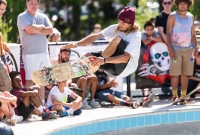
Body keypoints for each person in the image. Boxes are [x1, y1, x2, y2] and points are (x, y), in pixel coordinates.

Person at [61, 6, 141, 77]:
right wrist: (76, 44)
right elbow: (95, 37)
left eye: (123, 22)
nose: (120, 24)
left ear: (130, 23)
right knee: (88, 57)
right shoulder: (114, 28)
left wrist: (104, 60)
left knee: (117, 39)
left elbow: (125, 58)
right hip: (111, 68)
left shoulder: (135, 35)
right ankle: (68, 74)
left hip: (125, 67)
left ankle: (100, 59)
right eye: (119, 21)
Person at [17, 0, 53, 103]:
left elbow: (50, 30)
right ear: (26, 3)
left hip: (44, 53)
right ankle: (27, 106)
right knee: (30, 80)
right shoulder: (22, 17)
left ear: (38, 4)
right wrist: (42, 28)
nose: (34, 5)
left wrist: (35, 29)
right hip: (30, 53)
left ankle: (42, 106)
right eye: (31, 3)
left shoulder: (43, 16)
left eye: (35, 3)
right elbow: (29, 29)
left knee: (42, 80)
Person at [167, 0, 198, 102]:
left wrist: (196, 48)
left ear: (188, 5)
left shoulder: (191, 16)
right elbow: (168, 33)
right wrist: (170, 49)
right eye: (181, 3)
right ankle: (174, 96)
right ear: (177, 4)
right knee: (175, 74)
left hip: (188, 49)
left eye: (185, 3)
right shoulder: (172, 16)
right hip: (175, 49)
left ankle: (183, 96)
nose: (182, 5)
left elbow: (193, 33)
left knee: (185, 74)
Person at [140, 21, 162, 96]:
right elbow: (145, 42)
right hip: (143, 56)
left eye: (151, 29)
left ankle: (149, 92)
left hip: (153, 56)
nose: (149, 31)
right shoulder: (142, 34)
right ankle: (143, 93)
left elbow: (161, 39)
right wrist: (153, 38)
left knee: (153, 74)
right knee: (142, 74)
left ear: (154, 29)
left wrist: (151, 38)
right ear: (145, 29)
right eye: (147, 29)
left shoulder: (156, 32)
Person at [0, 0, 11, 94]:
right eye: (0, 9)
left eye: (3, 10)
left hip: (1, 56)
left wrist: (3, 44)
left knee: (5, 83)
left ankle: (3, 107)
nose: (2, 12)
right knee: (6, 82)